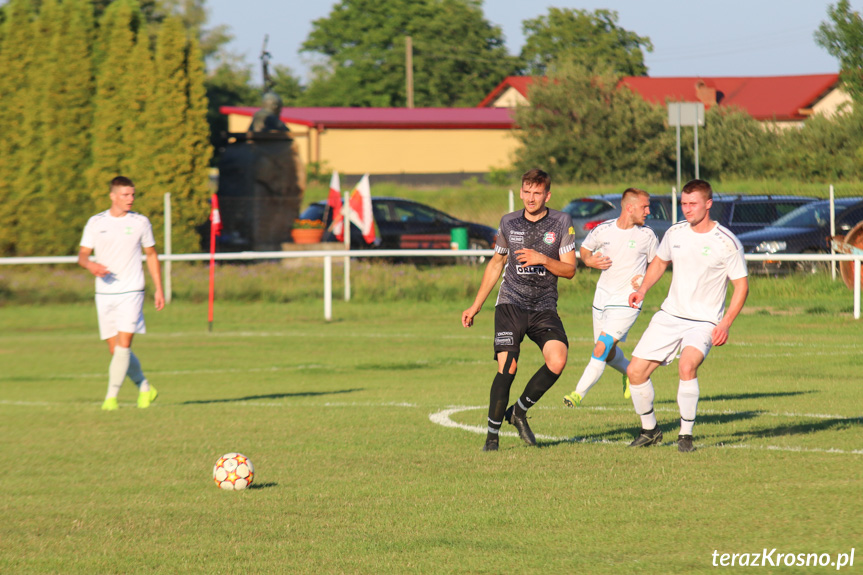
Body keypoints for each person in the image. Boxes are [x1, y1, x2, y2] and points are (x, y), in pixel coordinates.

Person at [626, 179, 749, 452]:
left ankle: (685, 436)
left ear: (708, 204)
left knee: (687, 366)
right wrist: (643, 289)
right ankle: (650, 430)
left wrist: (725, 322)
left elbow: (741, 285)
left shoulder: (726, 242)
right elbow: (660, 261)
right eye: (683, 203)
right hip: (670, 315)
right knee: (635, 372)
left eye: (693, 204)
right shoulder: (675, 233)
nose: (687, 209)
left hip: (704, 321)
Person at [462, 168, 577, 451]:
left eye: (537, 192)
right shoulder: (509, 222)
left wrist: (542, 259)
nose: (531, 197)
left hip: (544, 306)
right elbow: (496, 264)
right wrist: (476, 305)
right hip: (511, 303)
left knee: (558, 360)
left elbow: (570, 269)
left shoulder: (561, 222)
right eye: (526, 191)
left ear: (547, 195)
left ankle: (518, 411)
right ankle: (492, 436)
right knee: (508, 367)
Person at [563, 188, 657, 408]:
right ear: (629, 207)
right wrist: (589, 261)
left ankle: (577, 394)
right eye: (645, 207)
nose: (648, 211)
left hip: (629, 301)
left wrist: (643, 279)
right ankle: (629, 370)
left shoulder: (647, 235)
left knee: (601, 347)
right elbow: (585, 250)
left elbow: (658, 263)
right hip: (602, 299)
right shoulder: (603, 230)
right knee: (606, 351)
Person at [78, 176, 165, 411]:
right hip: (105, 292)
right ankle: (145, 387)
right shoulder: (96, 222)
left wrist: (159, 288)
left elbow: (152, 255)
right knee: (114, 349)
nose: (131, 199)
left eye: (133, 195)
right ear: (113, 196)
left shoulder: (140, 222)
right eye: (126, 195)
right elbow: (83, 255)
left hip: (132, 290)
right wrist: (90, 265)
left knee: (124, 346)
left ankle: (110, 398)